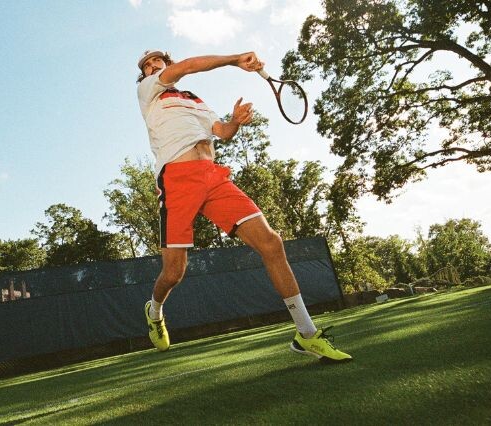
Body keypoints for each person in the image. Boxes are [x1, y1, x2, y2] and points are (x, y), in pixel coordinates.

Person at [135, 50, 352, 362]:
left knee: (271, 243)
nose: (152, 66)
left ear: (166, 63)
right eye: (146, 66)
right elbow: (188, 66)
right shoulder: (148, 92)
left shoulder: (194, 100)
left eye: (157, 62)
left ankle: (306, 334)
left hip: (212, 176)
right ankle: (154, 310)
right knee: (174, 272)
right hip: (177, 180)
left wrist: (234, 121)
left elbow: (221, 132)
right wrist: (235, 59)